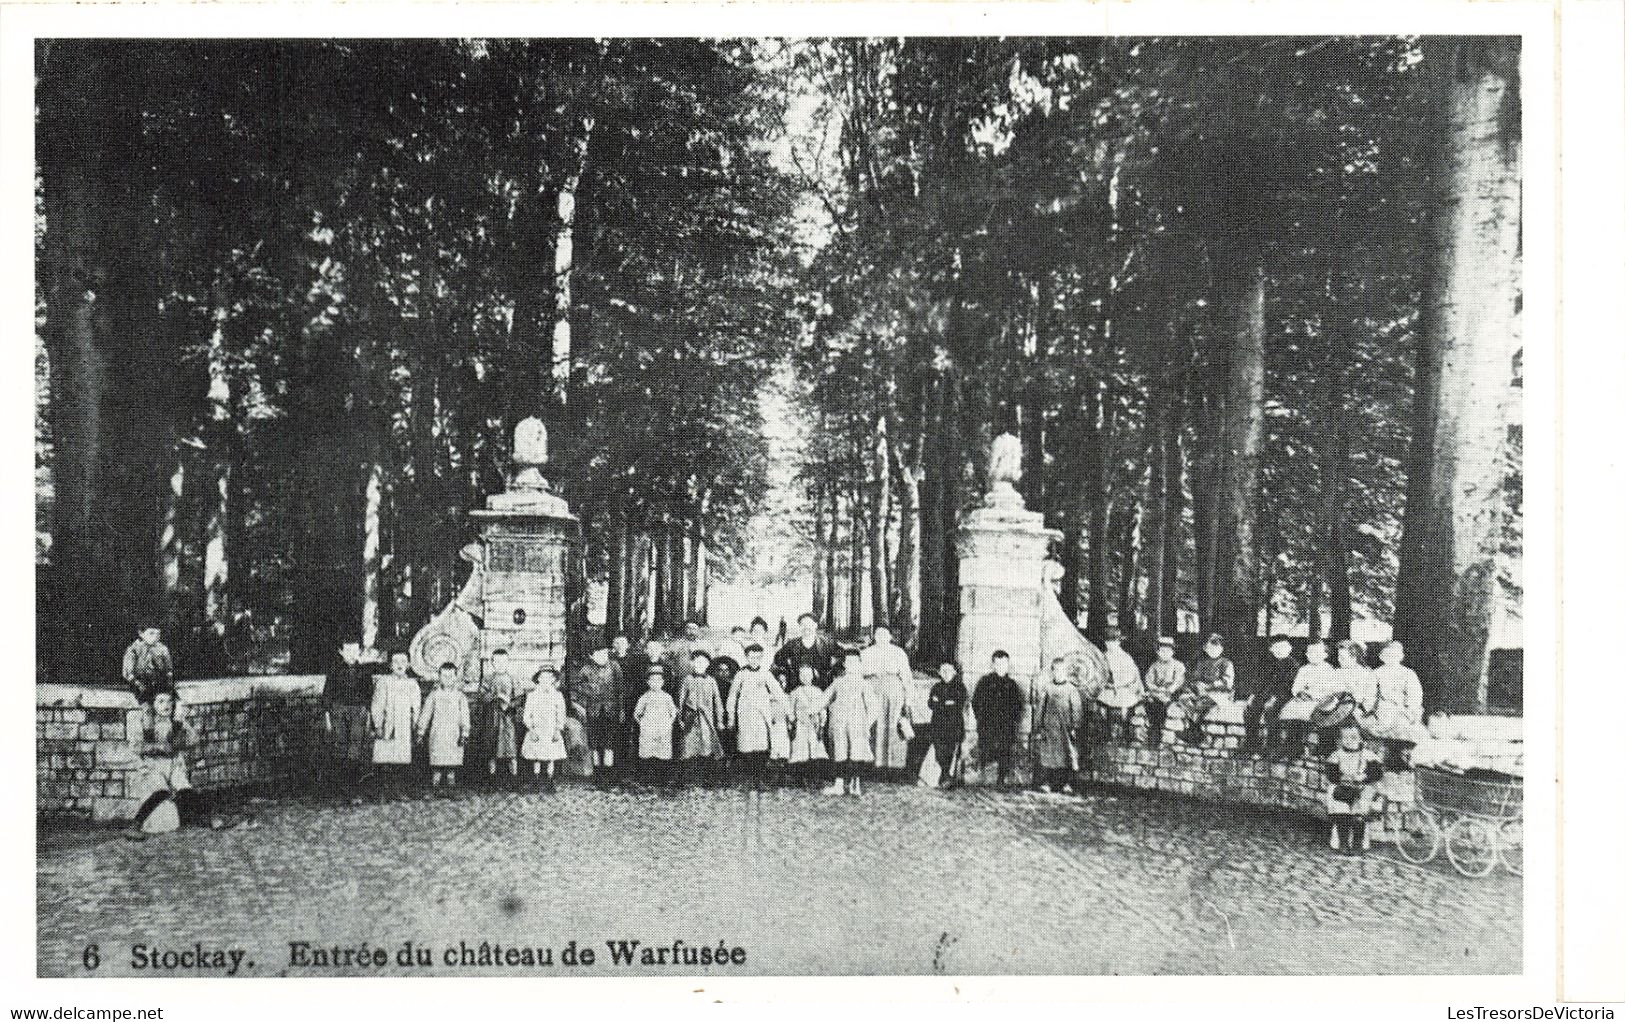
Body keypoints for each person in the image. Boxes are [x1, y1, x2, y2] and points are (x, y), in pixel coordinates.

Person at [129, 690, 194, 834]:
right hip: (153, 764)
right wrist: (157, 747)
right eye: (161, 701)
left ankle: (207, 818)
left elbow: (193, 740)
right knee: (161, 791)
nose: (166, 705)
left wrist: (182, 731)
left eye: (169, 701)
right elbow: (136, 746)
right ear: (153, 704)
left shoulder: (176, 721)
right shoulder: (146, 721)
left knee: (185, 790)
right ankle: (136, 825)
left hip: (173, 763)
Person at [819, 654, 879, 796]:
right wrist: (813, 709)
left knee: (856, 753)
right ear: (845, 665)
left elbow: (874, 707)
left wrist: (867, 724)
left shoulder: (864, 684)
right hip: (840, 723)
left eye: (855, 662)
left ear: (859, 664)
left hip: (857, 723)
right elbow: (825, 698)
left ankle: (855, 784)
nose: (851, 665)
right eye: (849, 662)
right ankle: (839, 784)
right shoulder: (838, 682)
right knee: (839, 752)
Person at [861, 626, 915, 777]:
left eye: (884, 634)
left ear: (890, 636)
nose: (881, 637)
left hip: (893, 694)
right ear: (874, 637)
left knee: (893, 726)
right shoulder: (866, 653)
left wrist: (908, 699)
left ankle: (893, 766)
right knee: (873, 725)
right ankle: (871, 765)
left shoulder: (898, 653)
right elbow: (859, 674)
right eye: (878, 634)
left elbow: (906, 677)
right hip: (872, 692)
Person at [1324, 721, 1384, 854]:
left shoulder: (1368, 755)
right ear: (1340, 739)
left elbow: (1377, 773)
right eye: (1345, 737)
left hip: (1362, 788)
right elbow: (1331, 774)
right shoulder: (1336, 755)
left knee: (1359, 812)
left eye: (1353, 737)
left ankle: (1358, 843)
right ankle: (1343, 842)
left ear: (1361, 739)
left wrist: (1364, 776)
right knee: (1341, 810)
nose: (1349, 741)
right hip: (1343, 788)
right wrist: (1342, 778)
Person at [727, 644, 782, 786]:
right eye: (751, 657)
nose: (754, 660)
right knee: (746, 746)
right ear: (746, 657)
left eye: (758, 657)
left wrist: (785, 710)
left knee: (762, 746)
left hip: (761, 716)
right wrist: (731, 717)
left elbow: (778, 693)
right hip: (745, 715)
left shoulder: (766, 674)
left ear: (762, 658)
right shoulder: (740, 674)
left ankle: (759, 778)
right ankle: (749, 779)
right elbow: (732, 696)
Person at [323, 641, 376, 781]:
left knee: (356, 745)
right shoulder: (334, 670)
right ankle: (341, 783)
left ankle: (353, 783)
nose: (352, 655)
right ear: (341, 652)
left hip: (358, 712)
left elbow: (369, 695)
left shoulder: (364, 671)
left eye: (355, 651)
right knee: (340, 744)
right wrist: (328, 718)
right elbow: (327, 694)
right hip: (338, 711)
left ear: (359, 652)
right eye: (348, 651)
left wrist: (368, 716)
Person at [569, 646, 626, 773]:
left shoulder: (614, 666)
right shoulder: (586, 669)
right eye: (599, 654)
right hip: (593, 711)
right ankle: (598, 773)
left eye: (605, 653)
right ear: (592, 656)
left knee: (609, 744)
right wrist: (582, 704)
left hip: (611, 711)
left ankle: (608, 773)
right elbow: (576, 689)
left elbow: (621, 690)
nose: (603, 656)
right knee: (594, 743)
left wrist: (621, 709)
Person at [970, 650, 1023, 787]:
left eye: (1004, 664)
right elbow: (976, 702)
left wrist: (1012, 721)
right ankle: (984, 779)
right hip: (988, 725)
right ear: (993, 665)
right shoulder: (985, 682)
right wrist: (981, 719)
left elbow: (1017, 706)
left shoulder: (1011, 685)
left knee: (1004, 752)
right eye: (998, 664)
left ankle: (1001, 779)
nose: (1001, 667)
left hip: (1005, 727)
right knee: (986, 749)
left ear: (1008, 665)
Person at [1033, 656, 1085, 793]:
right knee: (1048, 756)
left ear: (1066, 672)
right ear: (1052, 672)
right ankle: (1048, 783)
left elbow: (1077, 709)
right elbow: (1040, 709)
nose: (1058, 673)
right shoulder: (1048, 689)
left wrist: (1075, 726)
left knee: (1067, 756)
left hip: (1065, 730)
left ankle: (1067, 784)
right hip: (1050, 730)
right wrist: (1038, 727)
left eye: (1061, 670)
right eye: (1055, 670)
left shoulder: (1071, 690)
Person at [369, 651, 421, 787]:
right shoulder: (384, 682)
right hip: (387, 724)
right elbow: (377, 705)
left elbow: (416, 707)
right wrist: (378, 724)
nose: (400, 665)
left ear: (408, 665)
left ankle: (399, 790)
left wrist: (416, 725)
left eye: (403, 662)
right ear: (390, 666)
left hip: (404, 725)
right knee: (384, 758)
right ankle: (382, 791)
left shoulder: (412, 684)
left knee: (401, 758)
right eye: (396, 662)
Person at [418, 662, 472, 788]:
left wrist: (465, 733)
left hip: (454, 735)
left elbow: (465, 716)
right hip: (438, 735)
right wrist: (421, 732)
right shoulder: (434, 695)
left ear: (456, 677)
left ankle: (451, 788)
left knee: (451, 767)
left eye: (451, 676)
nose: (447, 679)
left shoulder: (460, 697)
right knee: (437, 766)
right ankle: (435, 787)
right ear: (439, 677)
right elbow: (426, 714)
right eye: (444, 676)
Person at [1244, 636, 1298, 758]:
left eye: (1283, 647)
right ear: (1271, 649)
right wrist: (1253, 695)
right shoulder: (1268, 662)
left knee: (1271, 712)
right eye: (1276, 647)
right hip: (1266, 694)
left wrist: (1274, 698)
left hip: (1284, 695)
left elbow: (1287, 685)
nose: (1279, 650)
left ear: (1289, 649)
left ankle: (1272, 746)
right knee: (1250, 710)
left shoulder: (1292, 665)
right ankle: (1252, 744)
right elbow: (1260, 681)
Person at [676, 650, 725, 782]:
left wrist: (720, 720)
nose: (699, 665)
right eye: (697, 662)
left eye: (703, 663)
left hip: (706, 719)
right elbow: (681, 700)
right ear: (692, 663)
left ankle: (707, 778)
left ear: (708, 664)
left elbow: (718, 702)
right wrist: (680, 718)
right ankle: (684, 778)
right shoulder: (687, 679)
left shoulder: (711, 681)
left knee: (706, 745)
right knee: (688, 745)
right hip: (690, 717)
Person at [1287, 639, 1341, 756]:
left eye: (1316, 653)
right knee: (1292, 712)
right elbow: (1296, 687)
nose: (1312, 656)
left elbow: (1334, 689)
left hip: (1324, 700)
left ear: (1325, 655)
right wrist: (1299, 693)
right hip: (1306, 700)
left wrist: (1318, 696)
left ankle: (1325, 748)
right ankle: (1295, 747)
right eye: (1309, 653)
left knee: (1325, 715)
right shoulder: (1304, 669)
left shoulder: (1329, 670)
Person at [1177, 634, 1234, 745]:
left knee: (1201, 703)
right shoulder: (1201, 662)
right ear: (1205, 648)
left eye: (1216, 647)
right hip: (1201, 692)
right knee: (1185, 700)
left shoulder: (1226, 663)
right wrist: (1196, 686)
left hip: (1219, 693)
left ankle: (1194, 731)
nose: (1213, 650)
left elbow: (1227, 682)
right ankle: (1193, 729)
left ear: (1221, 649)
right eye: (1210, 647)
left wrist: (1209, 686)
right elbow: (1194, 678)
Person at [123, 625, 175, 738]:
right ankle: (149, 735)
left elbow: (168, 669)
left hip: (158, 682)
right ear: (141, 634)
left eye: (158, 634)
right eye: (151, 633)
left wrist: (168, 680)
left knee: (175, 703)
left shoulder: (162, 649)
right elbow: (128, 673)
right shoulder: (134, 649)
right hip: (140, 682)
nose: (155, 637)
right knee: (147, 708)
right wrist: (137, 683)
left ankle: (175, 731)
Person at [521, 666, 568, 789]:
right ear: (538, 679)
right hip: (537, 729)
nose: (546, 680)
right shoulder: (532, 696)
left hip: (551, 730)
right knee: (536, 756)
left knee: (550, 756)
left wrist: (558, 730)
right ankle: (536, 779)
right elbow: (527, 715)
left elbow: (561, 714)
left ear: (553, 679)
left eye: (549, 677)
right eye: (543, 677)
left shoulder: (557, 696)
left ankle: (550, 779)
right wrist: (531, 729)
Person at [1096, 627, 1144, 743]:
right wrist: (1106, 683)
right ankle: (1105, 734)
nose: (1110, 644)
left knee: (1125, 705)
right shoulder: (1103, 656)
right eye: (1107, 642)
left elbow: (1131, 676)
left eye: (1113, 642)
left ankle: (1125, 733)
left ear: (1118, 642)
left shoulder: (1125, 657)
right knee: (1100, 704)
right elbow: (1098, 673)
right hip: (1107, 689)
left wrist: (1118, 683)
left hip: (1124, 689)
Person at [632, 665, 677, 787]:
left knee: (662, 753)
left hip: (663, 730)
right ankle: (647, 778)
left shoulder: (667, 697)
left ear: (663, 682)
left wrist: (668, 724)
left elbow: (673, 712)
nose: (655, 683)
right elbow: (637, 713)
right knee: (648, 753)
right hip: (648, 730)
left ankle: (662, 779)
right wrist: (643, 724)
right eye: (652, 680)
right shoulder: (645, 697)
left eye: (658, 680)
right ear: (648, 682)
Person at [926, 661, 968, 788]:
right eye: (942, 670)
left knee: (951, 752)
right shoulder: (936, 687)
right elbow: (930, 703)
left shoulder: (960, 687)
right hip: (938, 725)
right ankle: (943, 775)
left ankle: (947, 777)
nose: (945, 673)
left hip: (953, 726)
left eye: (948, 670)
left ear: (954, 672)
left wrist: (940, 703)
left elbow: (958, 704)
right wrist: (945, 703)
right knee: (939, 751)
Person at [786, 662, 828, 787]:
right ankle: (801, 778)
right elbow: (791, 710)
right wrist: (791, 725)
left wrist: (822, 724)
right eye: (802, 675)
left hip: (814, 725)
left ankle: (815, 778)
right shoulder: (795, 692)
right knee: (801, 752)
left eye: (808, 675)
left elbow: (822, 709)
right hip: (801, 725)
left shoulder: (818, 691)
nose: (805, 677)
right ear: (799, 676)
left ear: (813, 676)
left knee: (815, 751)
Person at [480, 649, 520, 779]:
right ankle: (492, 778)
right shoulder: (488, 679)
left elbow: (519, 698)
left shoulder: (513, 678)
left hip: (508, 719)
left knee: (510, 749)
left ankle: (513, 778)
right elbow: (482, 695)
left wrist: (510, 703)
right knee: (492, 748)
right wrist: (494, 696)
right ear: (492, 663)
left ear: (508, 662)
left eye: (503, 661)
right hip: (492, 718)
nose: (500, 664)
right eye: (497, 661)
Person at [772, 612, 837, 689]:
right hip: (795, 689)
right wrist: (783, 675)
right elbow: (776, 662)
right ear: (799, 627)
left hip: (822, 690)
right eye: (803, 624)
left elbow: (840, 665)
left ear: (815, 625)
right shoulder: (791, 645)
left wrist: (829, 676)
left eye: (809, 624)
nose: (806, 627)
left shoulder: (827, 644)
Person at [1140, 637, 1185, 746]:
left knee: (1163, 707)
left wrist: (1168, 690)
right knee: (1150, 704)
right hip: (1157, 693)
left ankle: (1158, 733)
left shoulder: (1178, 665)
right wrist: (1155, 689)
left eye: (1167, 651)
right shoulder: (1154, 666)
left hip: (1171, 694)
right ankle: (1153, 732)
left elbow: (1178, 682)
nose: (1164, 653)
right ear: (1158, 651)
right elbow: (1149, 681)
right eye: (1162, 651)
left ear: (1172, 652)